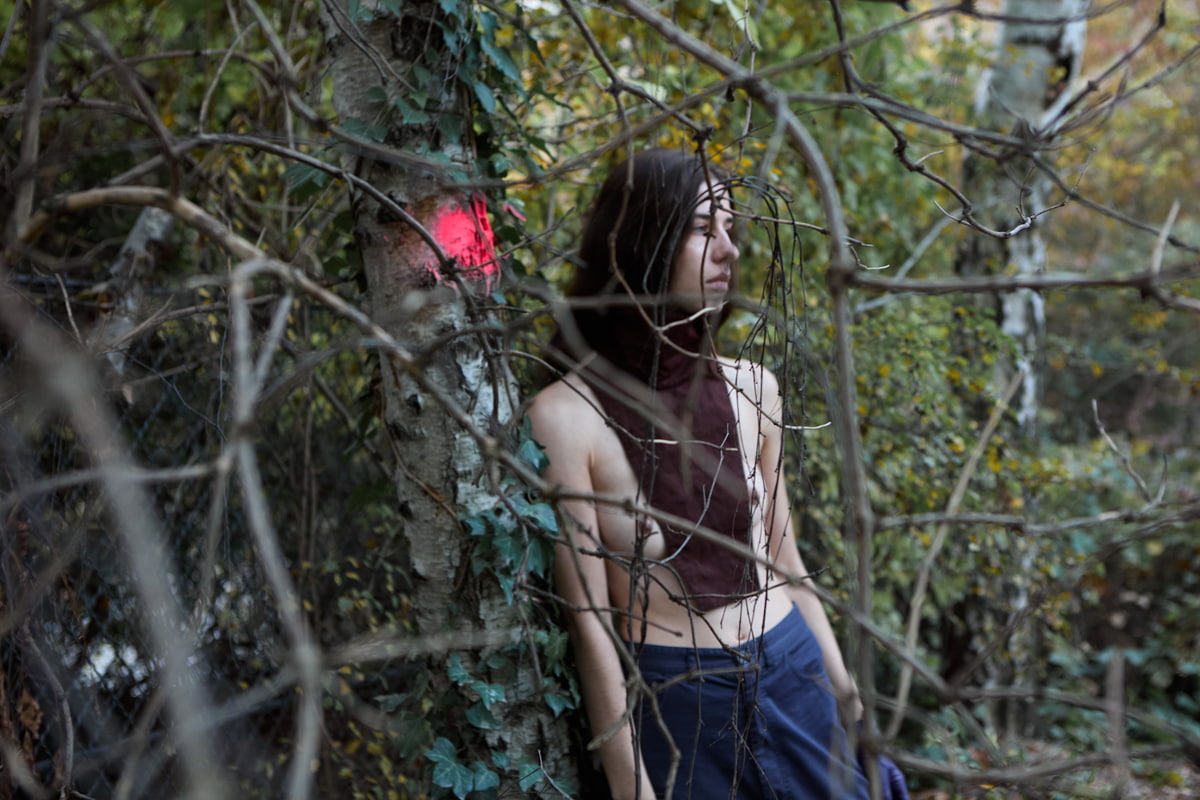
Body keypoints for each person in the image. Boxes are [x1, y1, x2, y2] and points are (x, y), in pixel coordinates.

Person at [528, 148, 906, 800]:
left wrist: (852, 708)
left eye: (731, 228)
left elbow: (788, 564)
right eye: (704, 229)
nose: (729, 250)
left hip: (793, 673)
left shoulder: (754, 388)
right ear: (643, 240)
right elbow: (590, 624)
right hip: (678, 705)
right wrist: (632, 788)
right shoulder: (564, 418)